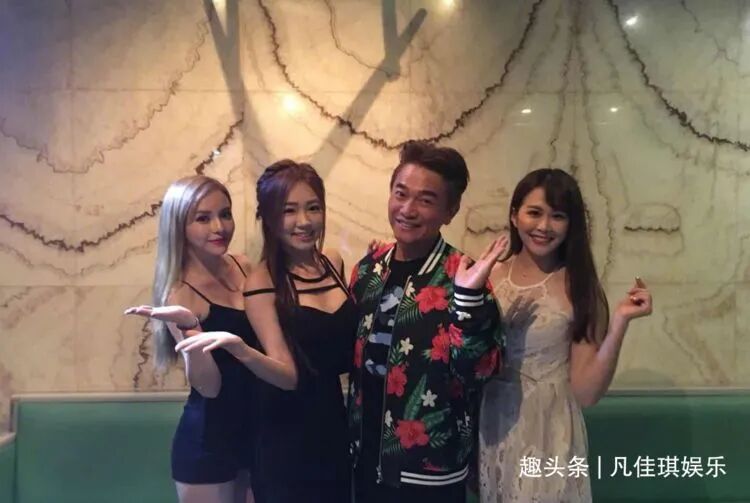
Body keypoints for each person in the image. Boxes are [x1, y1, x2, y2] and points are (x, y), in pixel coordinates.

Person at [477, 168, 653, 502]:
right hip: (491, 422)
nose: (544, 226)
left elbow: (586, 393)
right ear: (514, 216)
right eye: (534, 212)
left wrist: (620, 322)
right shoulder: (488, 274)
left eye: (558, 216)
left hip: (548, 428)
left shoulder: (579, 286)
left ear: (571, 225)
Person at [348, 140, 507, 503]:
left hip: (430, 472)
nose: (407, 209)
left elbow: (479, 371)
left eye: (426, 200)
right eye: (400, 193)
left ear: (450, 211)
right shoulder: (369, 270)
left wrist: (468, 300)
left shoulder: (462, 276)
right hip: (364, 460)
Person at [124, 175, 296, 503]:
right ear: (179, 226)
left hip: (259, 430)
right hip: (209, 439)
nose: (219, 227)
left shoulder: (243, 266)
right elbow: (209, 387)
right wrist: (191, 328)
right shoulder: (179, 292)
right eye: (203, 218)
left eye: (225, 214)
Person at [239, 160, 356, 503]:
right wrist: (240, 351)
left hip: (334, 422)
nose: (304, 221)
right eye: (289, 210)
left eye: (313, 208)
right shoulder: (262, 281)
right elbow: (287, 375)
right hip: (285, 432)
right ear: (269, 218)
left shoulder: (333, 262)